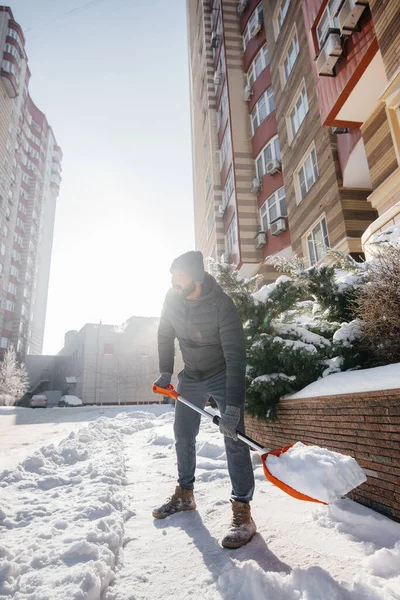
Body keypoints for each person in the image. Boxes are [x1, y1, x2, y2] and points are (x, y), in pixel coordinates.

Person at [152, 251, 256, 549]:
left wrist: (233, 408)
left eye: (179, 275)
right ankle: (185, 494)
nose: (173, 280)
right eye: (172, 275)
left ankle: (243, 512)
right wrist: (164, 371)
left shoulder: (222, 305)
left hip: (222, 372)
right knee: (183, 433)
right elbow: (163, 334)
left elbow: (236, 358)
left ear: (195, 276)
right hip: (192, 375)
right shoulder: (172, 298)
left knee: (234, 437)